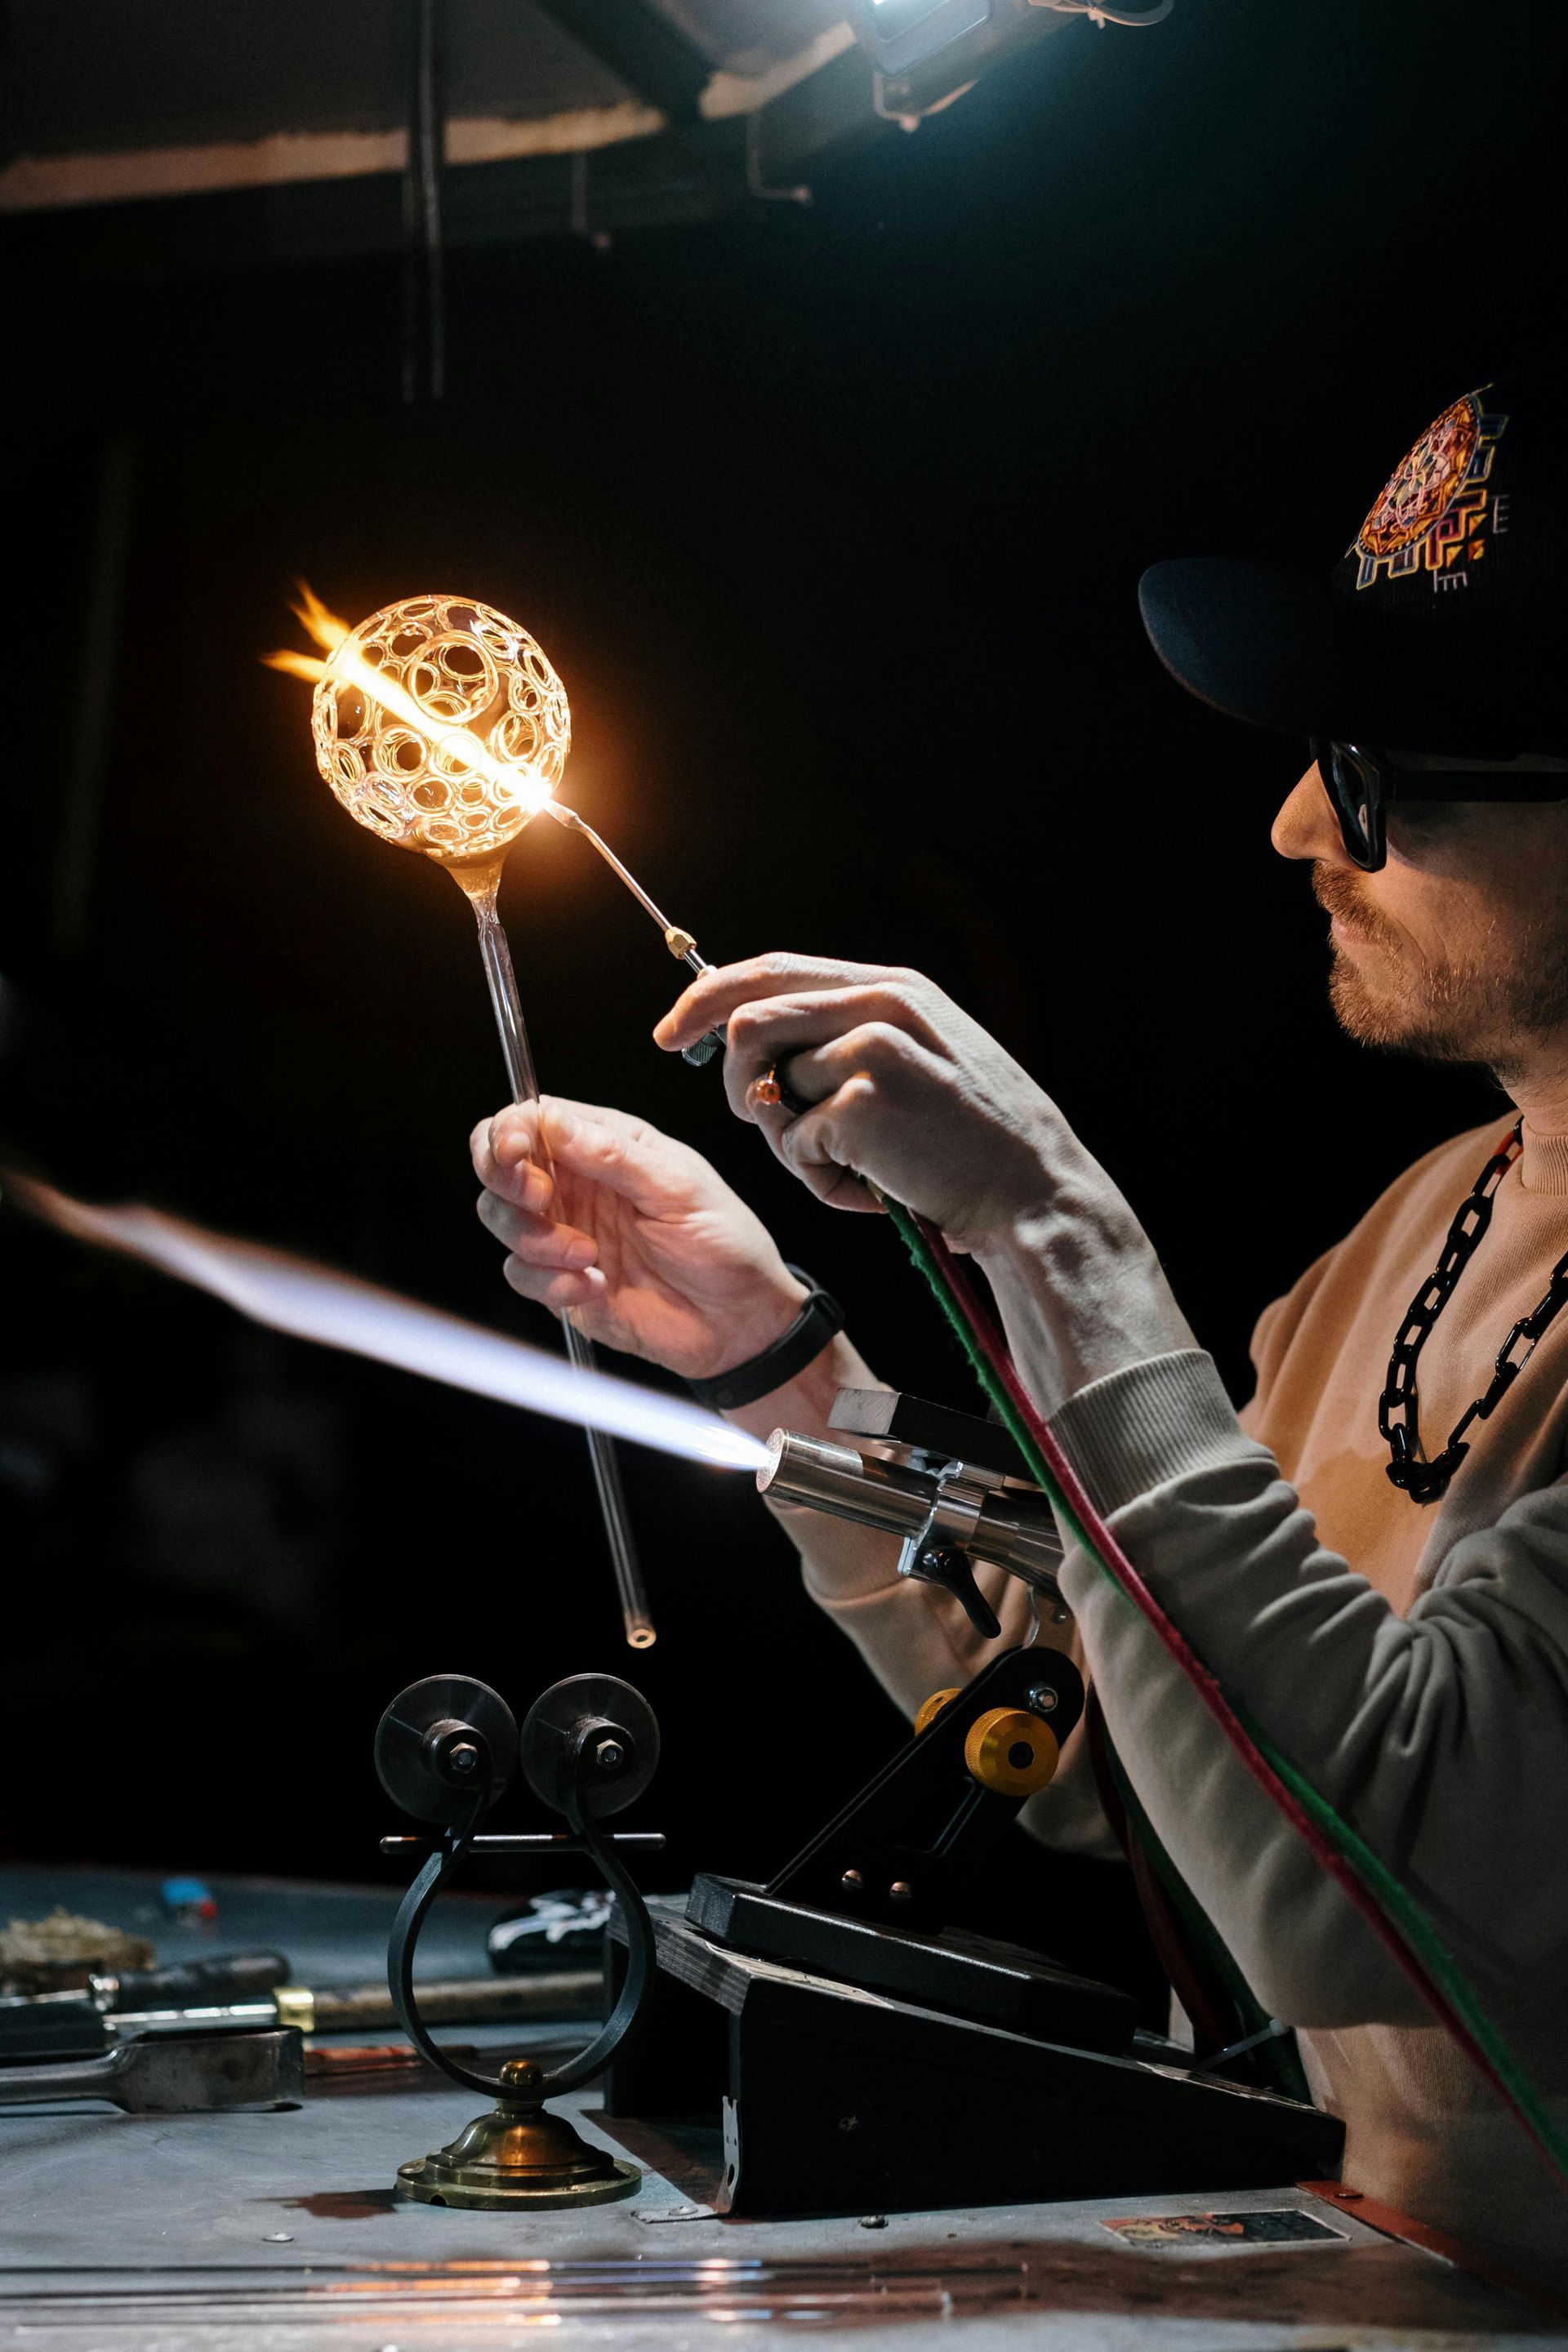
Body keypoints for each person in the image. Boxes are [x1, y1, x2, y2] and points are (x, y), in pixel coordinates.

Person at [472, 376, 1568, 2288]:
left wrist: (1053, 1232)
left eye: (1387, 762)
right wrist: (784, 1380)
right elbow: (1135, 1762)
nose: (1302, 819)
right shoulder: (1410, 1236)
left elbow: (1354, 1875)